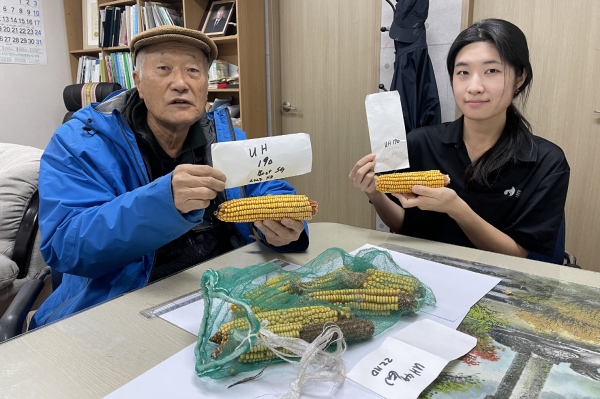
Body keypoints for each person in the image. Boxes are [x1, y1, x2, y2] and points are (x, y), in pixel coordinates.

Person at [30, 26, 308, 329]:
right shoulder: (79, 143)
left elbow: (272, 190)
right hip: (126, 302)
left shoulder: (228, 138)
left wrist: (287, 228)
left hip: (225, 291)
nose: (181, 83)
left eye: (193, 71)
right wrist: (163, 203)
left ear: (205, 84)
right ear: (137, 81)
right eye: (164, 69)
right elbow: (65, 246)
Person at [350, 18, 569, 261]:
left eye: (491, 71)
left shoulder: (546, 162)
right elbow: (404, 227)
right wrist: (374, 193)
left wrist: (457, 209)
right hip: (426, 278)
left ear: (520, 78)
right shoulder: (420, 143)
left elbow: (519, 257)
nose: (474, 87)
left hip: (500, 287)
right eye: (463, 72)